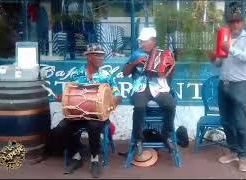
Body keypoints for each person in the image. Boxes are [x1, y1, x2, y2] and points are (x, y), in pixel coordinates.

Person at [53, 43, 121, 178]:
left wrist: (114, 101)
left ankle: (95, 160)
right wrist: (62, 98)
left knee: (93, 126)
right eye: (98, 55)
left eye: (102, 55)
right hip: (78, 114)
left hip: (98, 116)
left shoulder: (106, 75)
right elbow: (69, 93)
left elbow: (117, 94)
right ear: (89, 57)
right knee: (62, 127)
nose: (102, 58)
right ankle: (76, 157)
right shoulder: (77, 73)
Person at [208, 3, 246, 172]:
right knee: (226, 121)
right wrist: (213, 59)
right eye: (231, 22)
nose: (234, 24)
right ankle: (233, 151)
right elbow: (220, 63)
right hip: (224, 84)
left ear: (242, 23)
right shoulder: (224, 37)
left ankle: (243, 157)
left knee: (240, 122)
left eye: (237, 22)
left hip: (239, 85)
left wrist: (231, 49)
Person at [122, 27, 176, 156]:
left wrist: (171, 65)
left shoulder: (164, 54)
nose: (141, 44)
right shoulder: (136, 54)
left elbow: (169, 75)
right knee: (139, 107)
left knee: (171, 105)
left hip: (158, 88)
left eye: (144, 41)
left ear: (153, 41)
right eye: (141, 41)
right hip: (140, 88)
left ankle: (165, 135)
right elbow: (125, 73)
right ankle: (139, 138)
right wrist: (134, 63)